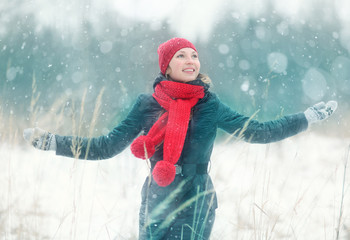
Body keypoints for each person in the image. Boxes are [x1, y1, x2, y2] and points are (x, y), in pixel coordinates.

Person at [23, 37, 338, 239]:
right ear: (167, 65)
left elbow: (258, 132)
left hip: (197, 199)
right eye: (181, 56)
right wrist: (53, 142)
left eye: (194, 55)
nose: (191, 60)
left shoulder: (209, 104)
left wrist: (306, 118)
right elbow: (107, 146)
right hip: (156, 198)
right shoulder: (146, 105)